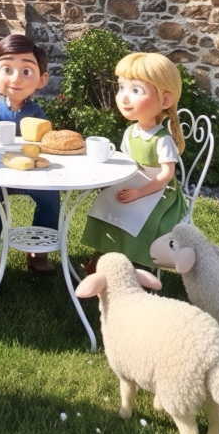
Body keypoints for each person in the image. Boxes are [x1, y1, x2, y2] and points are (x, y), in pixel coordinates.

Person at [80, 51, 187, 272]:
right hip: (134, 181)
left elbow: (166, 175)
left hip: (159, 191)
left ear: (165, 100)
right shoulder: (131, 132)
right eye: (121, 88)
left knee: (139, 216)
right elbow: (128, 160)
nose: (124, 97)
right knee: (106, 202)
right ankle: (105, 255)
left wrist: (140, 192)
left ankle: (138, 263)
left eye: (136, 90)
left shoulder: (162, 139)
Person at [0, 34, 61, 273]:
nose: (16, 78)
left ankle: (38, 252)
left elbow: (43, 142)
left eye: (26, 71)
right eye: (7, 69)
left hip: (31, 174)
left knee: (49, 198)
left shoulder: (36, 112)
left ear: (41, 79)